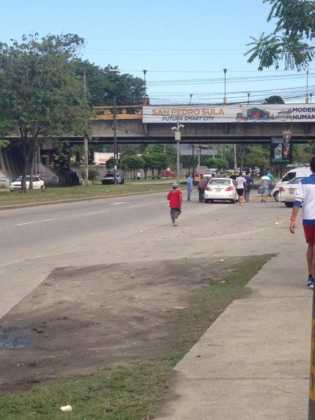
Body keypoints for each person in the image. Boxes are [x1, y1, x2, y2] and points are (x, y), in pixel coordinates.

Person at [290, 157, 315, 289]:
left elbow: (297, 202)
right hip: (310, 220)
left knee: (311, 246)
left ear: (310, 168)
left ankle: (311, 277)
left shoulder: (303, 182)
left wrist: (293, 220)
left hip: (309, 220)